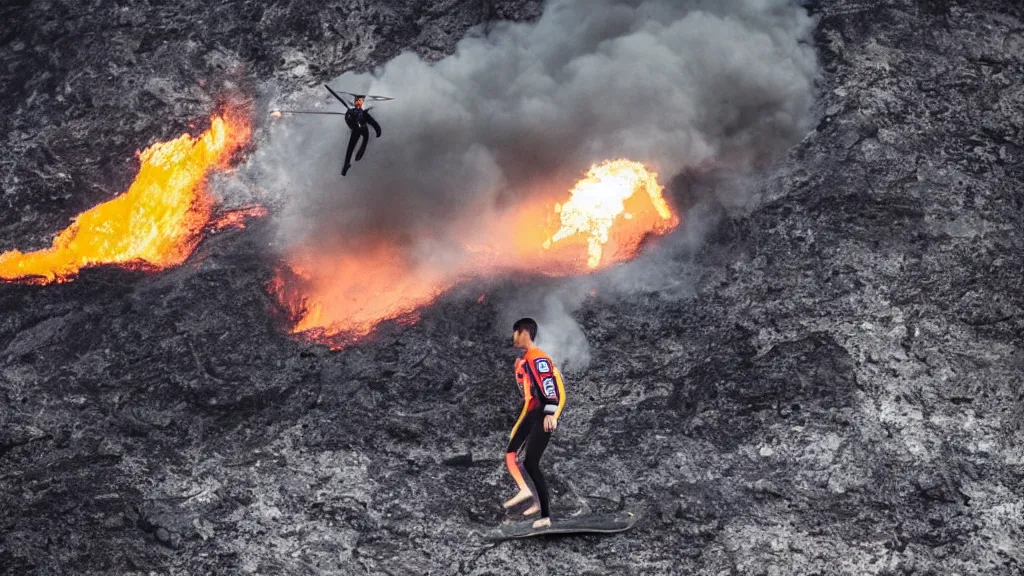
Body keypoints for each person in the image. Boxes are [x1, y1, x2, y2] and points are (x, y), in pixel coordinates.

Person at [502, 317, 566, 529]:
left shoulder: (537, 357)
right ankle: (528, 494)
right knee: (513, 453)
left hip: (541, 413)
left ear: (524, 333)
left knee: (531, 462)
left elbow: (548, 384)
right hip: (532, 412)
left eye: (515, 332)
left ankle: (546, 515)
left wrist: (550, 412)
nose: (513, 337)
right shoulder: (527, 359)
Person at [341, 96, 381, 176]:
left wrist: (378, 130)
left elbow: (372, 122)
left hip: (359, 129)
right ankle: (347, 166)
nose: (359, 103)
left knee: (357, 144)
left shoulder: (361, 113)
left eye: (360, 101)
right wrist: (378, 130)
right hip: (359, 129)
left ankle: (355, 158)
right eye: (358, 101)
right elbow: (372, 122)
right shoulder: (355, 112)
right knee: (356, 145)